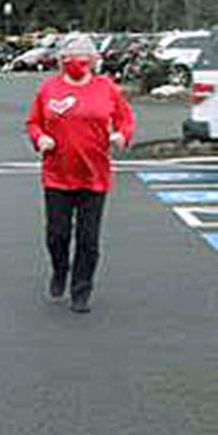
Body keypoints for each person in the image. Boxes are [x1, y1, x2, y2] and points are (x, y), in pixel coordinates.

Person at [26, 33, 134, 314]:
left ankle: (81, 288)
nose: (77, 63)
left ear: (94, 61)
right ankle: (60, 269)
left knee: (88, 239)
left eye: (84, 58)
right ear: (62, 61)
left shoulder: (106, 88)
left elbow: (124, 118)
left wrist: (122, 135)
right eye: (71, 58)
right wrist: (39, 139)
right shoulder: (49, 89)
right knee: (56, 235)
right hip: (57, 175)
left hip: (94, 176)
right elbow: (34, 122)